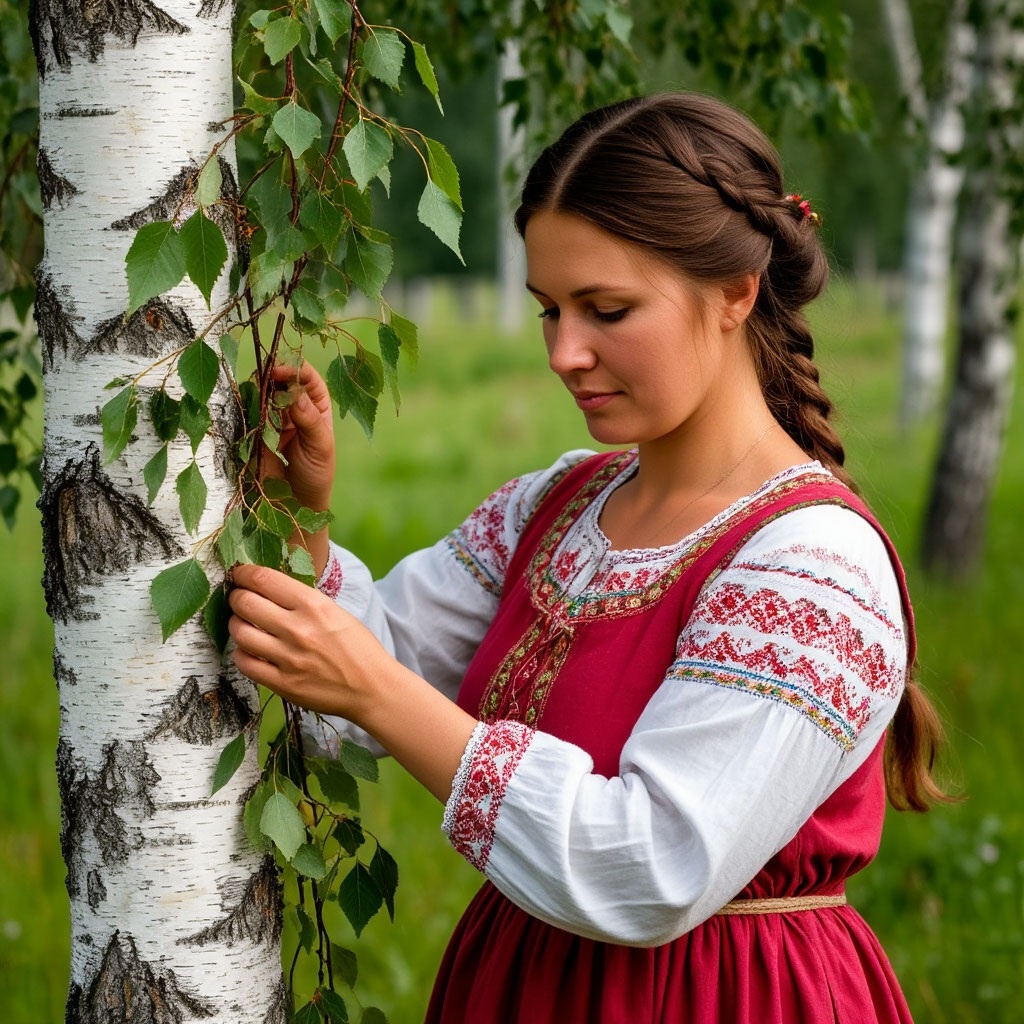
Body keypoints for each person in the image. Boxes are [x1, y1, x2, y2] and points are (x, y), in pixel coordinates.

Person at [227, 93, 946, 1023]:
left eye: (607, 309)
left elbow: (651, 865)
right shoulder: (558, 505)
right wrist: (298, 525)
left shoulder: (812, 564)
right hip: (522, 984)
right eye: (549, 310)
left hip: (724, 999)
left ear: (736, 292)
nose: (566, 353)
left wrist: (373, 688)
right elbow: (352, 696)